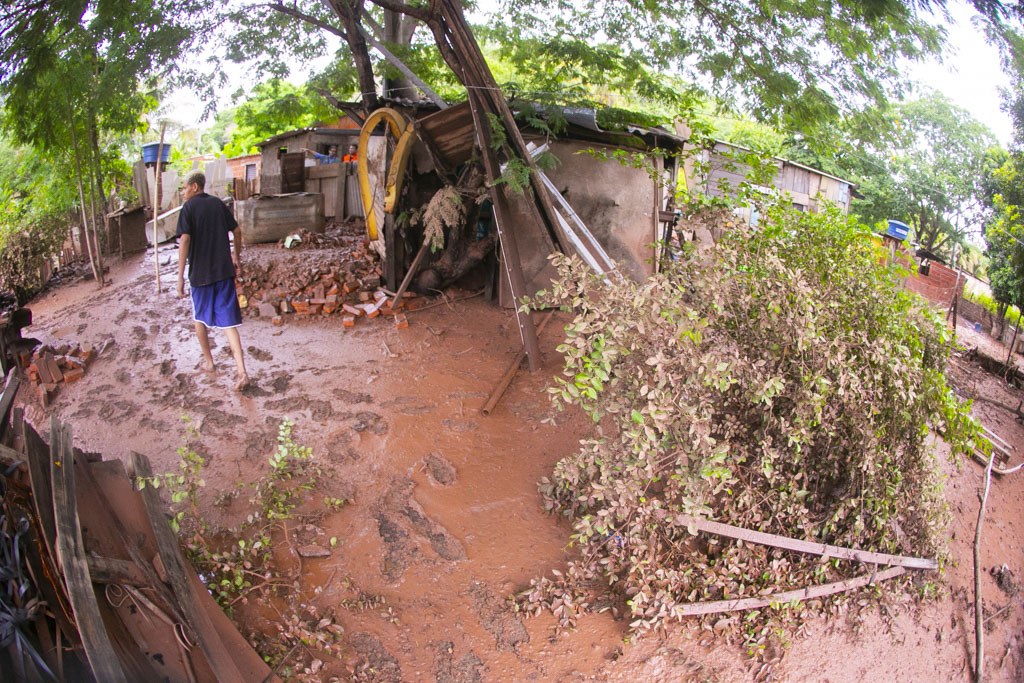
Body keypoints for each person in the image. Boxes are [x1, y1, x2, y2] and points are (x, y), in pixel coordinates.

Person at [176, 171, 250, 391]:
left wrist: (179, 276)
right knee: (229, 323)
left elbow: (185, 239)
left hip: (200, 276)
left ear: (195, 186)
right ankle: (242, 372)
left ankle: (209, 361)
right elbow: (236, 231)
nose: (182, 192)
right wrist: (237, 256)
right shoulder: (218, 204)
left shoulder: (188, 209)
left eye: (184, 187)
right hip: (224, 272)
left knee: (199, 318)